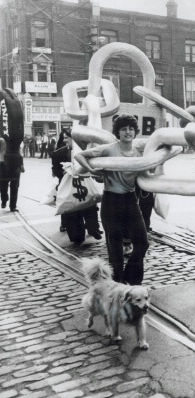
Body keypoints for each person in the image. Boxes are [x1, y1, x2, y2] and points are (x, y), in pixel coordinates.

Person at [74, 114, 150, 285]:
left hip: (131, 200)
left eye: (131, 129)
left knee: (142, 243)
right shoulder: (109, 149)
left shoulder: (139, 151)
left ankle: (132, 279)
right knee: (114, 248)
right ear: (118, 132)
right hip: (111, 202)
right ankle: (117, 285)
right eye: (124, 129)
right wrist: (92, 171)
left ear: (135, 132)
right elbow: (80, 156)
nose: (128, 132)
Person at [51, 129, 102, 245]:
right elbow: (55, 170)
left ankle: (93, 229)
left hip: (85, 186)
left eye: (66, 138)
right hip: (69, 188)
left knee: (90, 206)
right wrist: (66, 171)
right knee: (72, 212)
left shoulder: (87, 151)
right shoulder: (58, 154)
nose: (64, 141)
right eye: (63, 138)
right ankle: (76, 236)